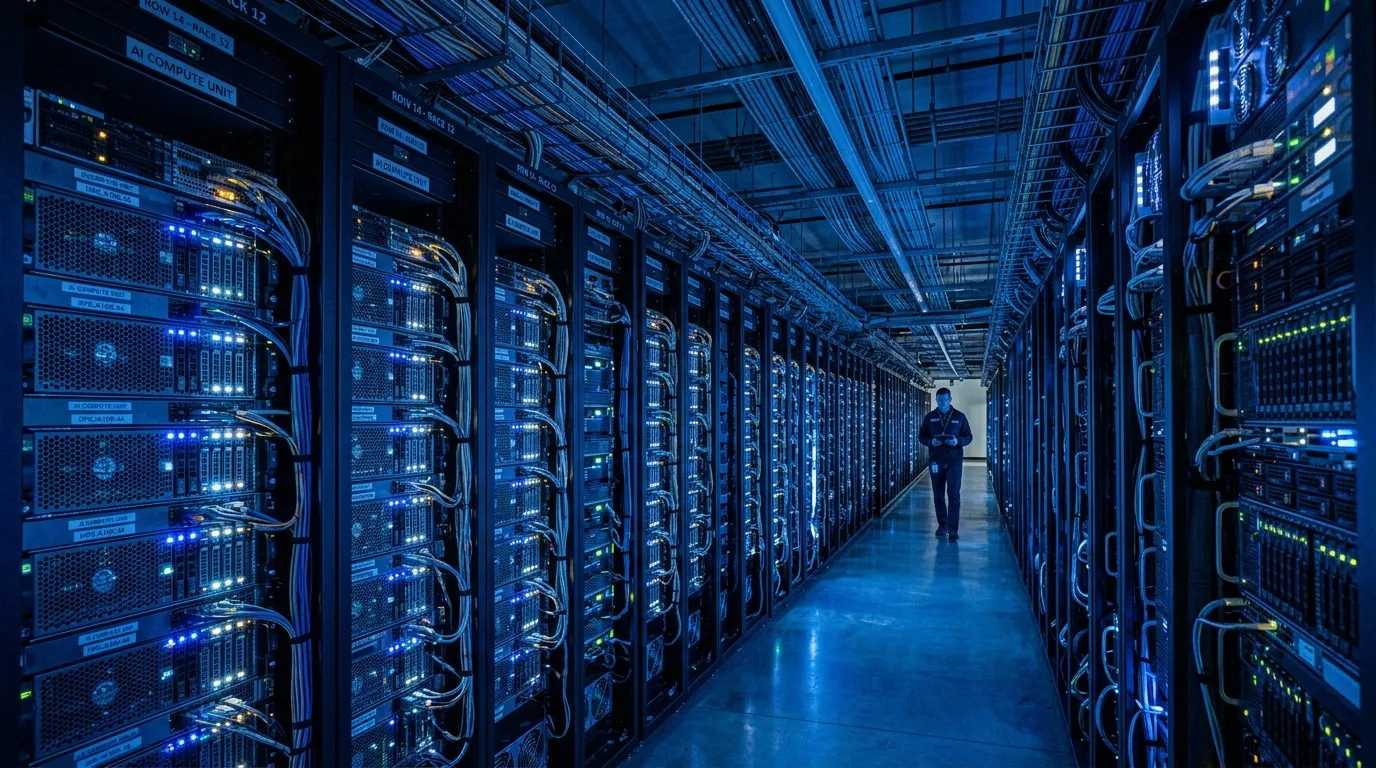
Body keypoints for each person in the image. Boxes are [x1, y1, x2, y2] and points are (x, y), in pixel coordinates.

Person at [918, 387, 974, 541]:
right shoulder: (930, 417)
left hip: (954, 460)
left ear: (950, 399)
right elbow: (921, 436)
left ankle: (953, 528)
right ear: (936, 400)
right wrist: (931, 442)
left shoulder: (959, 417)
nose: (942, 402)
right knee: (938, 493)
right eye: (939, 399)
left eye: (945, 399)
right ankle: (942, 525)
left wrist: (958, 441)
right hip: (936, 459)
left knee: (954, 494)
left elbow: (969, 436)